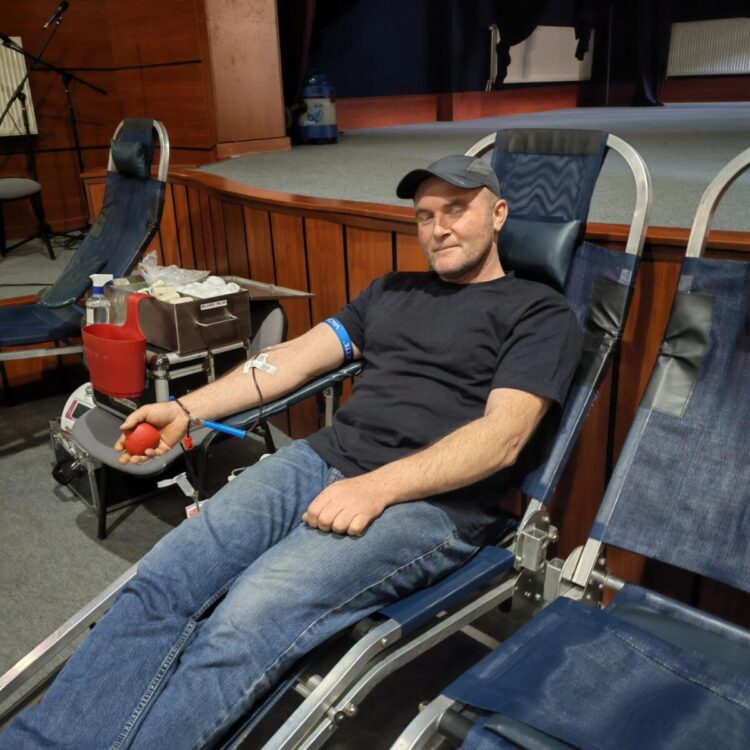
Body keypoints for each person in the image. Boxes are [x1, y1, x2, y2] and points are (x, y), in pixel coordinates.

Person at [1, 155, 581, 749]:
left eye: (456, 210)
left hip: (430, 504)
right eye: (425, 216)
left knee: (249, 615)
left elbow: (503, 438)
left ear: (499, 214)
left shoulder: (540, 312)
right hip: (318, 460)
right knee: (166, 577)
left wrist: (377, 487)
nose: (439, 228)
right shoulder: (391, 291)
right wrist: (187, 409)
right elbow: (291, 359)